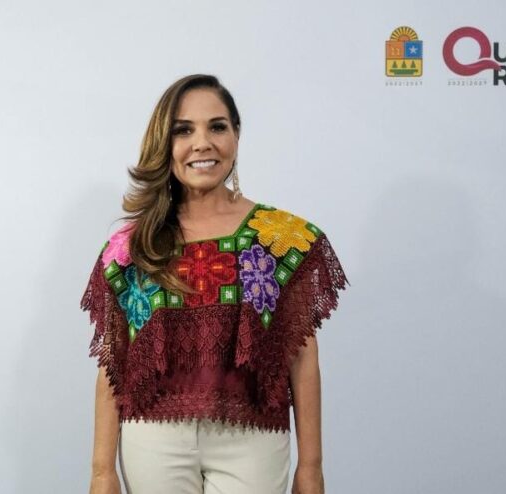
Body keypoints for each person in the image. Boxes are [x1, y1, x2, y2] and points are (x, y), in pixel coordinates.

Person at [81, 74, 348, 494]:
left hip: (253, 439)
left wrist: (311, 468)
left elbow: (301, 354)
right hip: (153, 439)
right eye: (183, 130)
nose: (202, 143)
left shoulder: (280, 239)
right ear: (164, 143)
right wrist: (101, 471)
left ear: (236, 135)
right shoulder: (133, 248)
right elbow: (114, 361)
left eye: (217, 126)